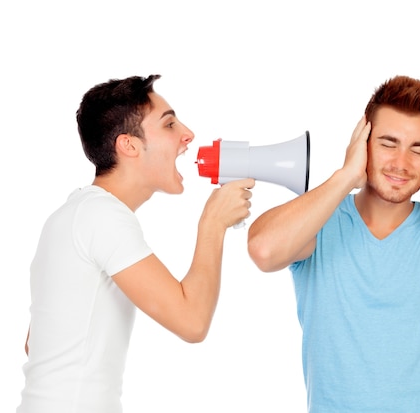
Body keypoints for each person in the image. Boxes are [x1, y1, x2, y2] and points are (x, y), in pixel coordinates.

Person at [247, 75, 420, 412]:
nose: (401, 163)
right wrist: (346, 176)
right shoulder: (319, 225)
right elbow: (264, 250)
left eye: (418, 149)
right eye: (387, 142)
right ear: (362, 142)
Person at [17, 74, 255, 413]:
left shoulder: (73, 214)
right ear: (128, 145)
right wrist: (213, 223)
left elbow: (35, 343)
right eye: (169, 124)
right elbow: (192, 321)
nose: (188, 133)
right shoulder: (101, 216)